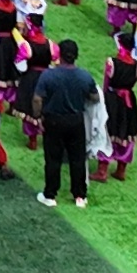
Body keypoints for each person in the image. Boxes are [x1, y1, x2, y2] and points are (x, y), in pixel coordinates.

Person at [34, 40, 97, 205]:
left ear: (60, 55)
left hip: (53, 120)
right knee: (77, 159)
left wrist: (38, 116)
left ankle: (50, 195)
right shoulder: (84, 76)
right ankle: (80, 196)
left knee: (53, 158)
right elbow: (95, 97)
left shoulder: (48, 75)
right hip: (76, 121)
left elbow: (37, 99)